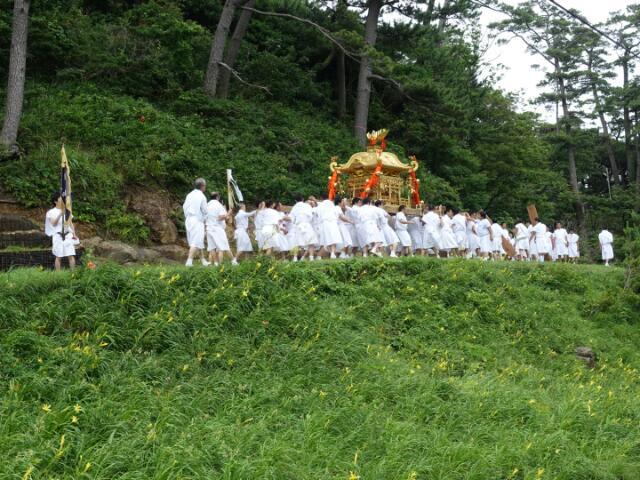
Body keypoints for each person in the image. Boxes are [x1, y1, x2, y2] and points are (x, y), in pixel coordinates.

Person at [45, 192, 79, 271]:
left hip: (68, 235)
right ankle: (58, 275)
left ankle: (73, 273)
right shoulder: (50, 212)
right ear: (55, 201)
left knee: (70, 254)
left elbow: (70, 223)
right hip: (58, 236)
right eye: (60, 198)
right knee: (58, 256)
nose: (62, 199)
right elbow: (53, 224)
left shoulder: (67, 210)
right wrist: (60, 214)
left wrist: (74, 234)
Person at [183, 178, 209, 267]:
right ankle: (189, 262)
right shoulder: (202, 196)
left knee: (198, 241)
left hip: (188, 219)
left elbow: (184, 207)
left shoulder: (189, 195)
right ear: (202, 186)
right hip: (197, 220)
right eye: (205, 185)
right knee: (195, 241)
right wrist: (204, 219)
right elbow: (205, 211)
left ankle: (203, 260)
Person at [205, 192, 234, 266]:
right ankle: (234, 262)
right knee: (225, 245)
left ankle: (216, 264)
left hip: (208, 228)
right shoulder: (218, 205)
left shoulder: (207, 205)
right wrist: (229, 213)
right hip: (217, 228)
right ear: (217, 197)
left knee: (212, 247)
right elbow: (220, 217)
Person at [290, 194, 318, 261]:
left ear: (295, 200)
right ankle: (311, 257)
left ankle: (295, 258)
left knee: (297, 242)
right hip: (307, 224)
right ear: (302, 199)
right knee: (311, 242)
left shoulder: (294, 207)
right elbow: (311, 216)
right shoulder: (307, 206)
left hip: (299, 225)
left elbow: (292, 218)